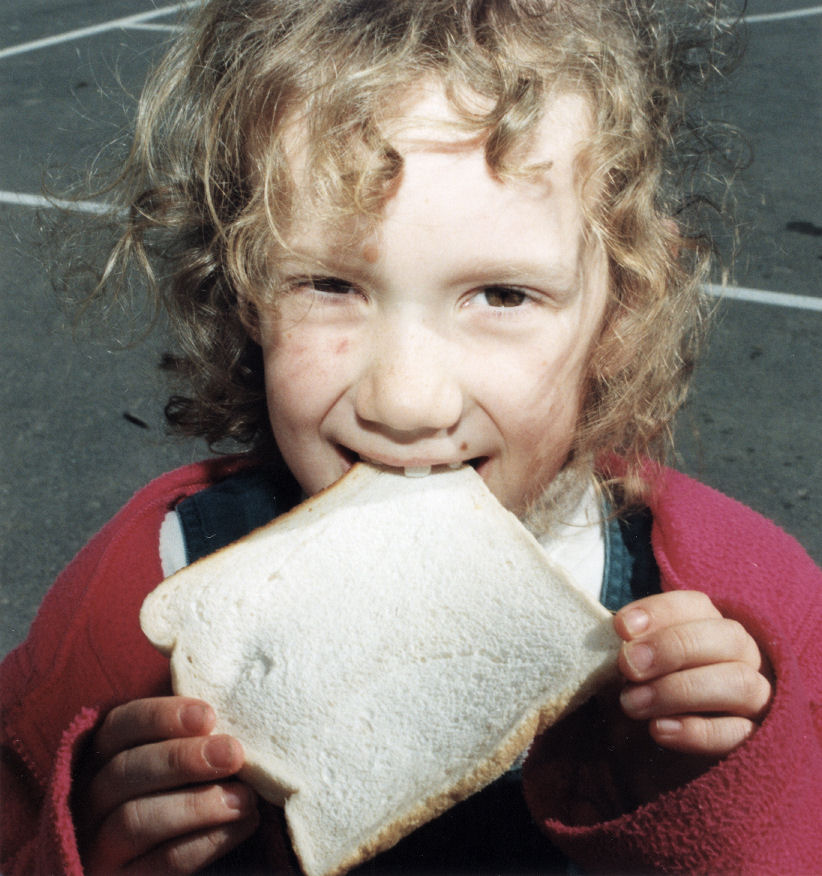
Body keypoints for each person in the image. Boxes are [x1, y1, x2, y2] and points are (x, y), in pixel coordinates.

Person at [2, 0, 821, 873]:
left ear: (621, 307)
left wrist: (717, 803)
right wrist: (78, 847)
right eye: (327, 285)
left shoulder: (758, 604)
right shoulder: (131, 594)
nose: (405, 401)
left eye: (503, 295)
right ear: (243, 288)